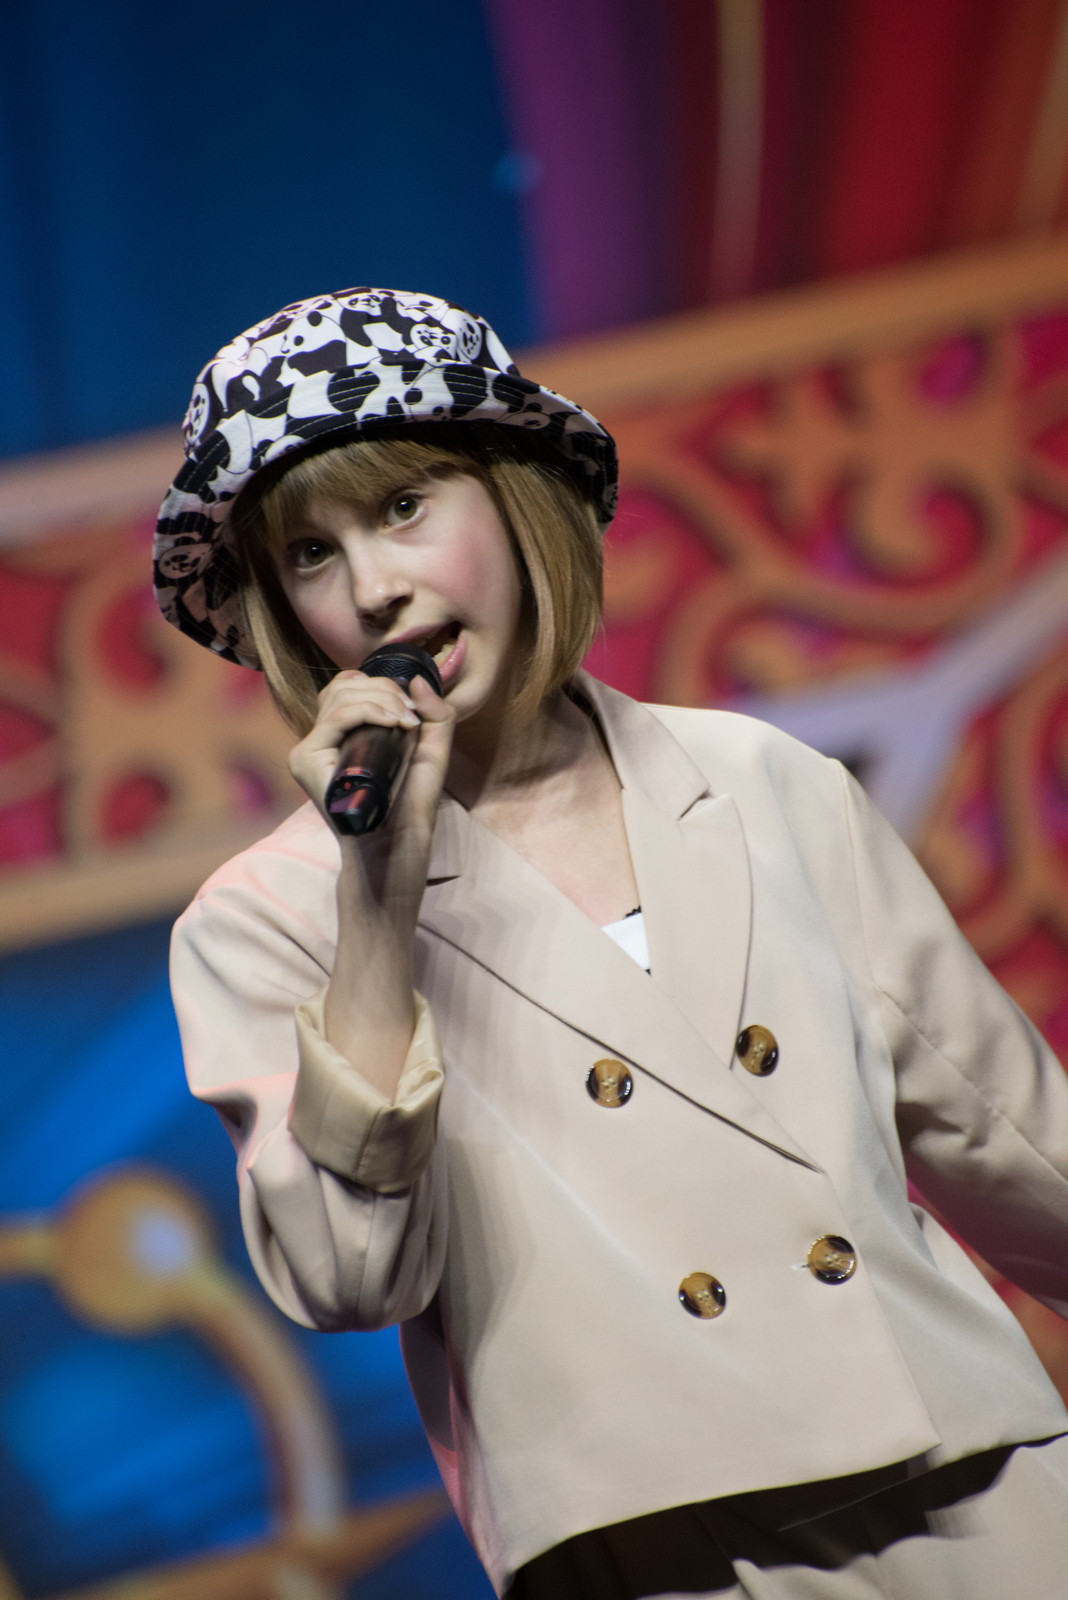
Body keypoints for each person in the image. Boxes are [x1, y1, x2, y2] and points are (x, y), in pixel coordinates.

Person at [157, 288, 1068, 1599]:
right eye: (310, 553)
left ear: (514, 495)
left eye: (404, 506)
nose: (372, 589)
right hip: (653, 1544)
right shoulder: (265, 917)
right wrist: (377, 901)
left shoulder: (757, 779)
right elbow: (350, 1275)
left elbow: (1001, 1127)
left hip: (974, 1487)